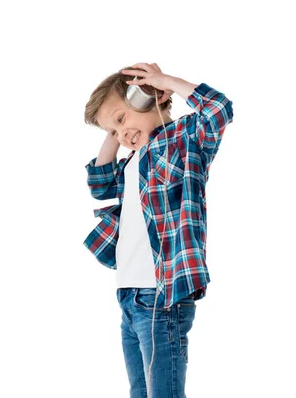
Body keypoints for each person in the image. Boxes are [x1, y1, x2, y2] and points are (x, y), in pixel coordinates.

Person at [83, 63, 233, 397]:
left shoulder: (181, 142)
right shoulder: (133, 159)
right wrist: (113, 130)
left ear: (146, 98)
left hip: (160, 297)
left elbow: (219, 110)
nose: (122, 135)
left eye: (122, 120)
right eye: (114, 131)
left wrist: (166, 83)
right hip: (129, 296)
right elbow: (99, 183)